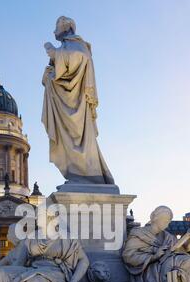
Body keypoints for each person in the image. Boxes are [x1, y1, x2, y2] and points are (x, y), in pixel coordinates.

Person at [42, 16, 114, 185]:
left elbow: (81, 57)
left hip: (78, 103)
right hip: (65, 102)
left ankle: (89, 175)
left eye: (57, 26)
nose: (54, 30)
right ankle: (77, 173)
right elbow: (61, 75)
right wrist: (50, 75)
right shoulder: (67, 46)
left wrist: (55, 53)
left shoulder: (77, 45)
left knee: (81, 139)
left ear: (67, 28)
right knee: (66, 137)